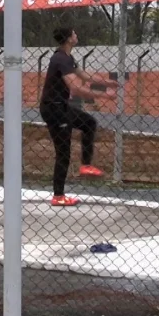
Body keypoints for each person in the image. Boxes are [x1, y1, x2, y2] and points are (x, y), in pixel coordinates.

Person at [39, 27, 117, 206]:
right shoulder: (59, 59)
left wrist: (106, 82)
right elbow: (75, 88)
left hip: (62, 107)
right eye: (74, 33)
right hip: (54, 110)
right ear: (68, 39)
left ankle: (86, 165)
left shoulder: (68, 57)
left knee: (89, 123)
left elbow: (84, 75)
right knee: (63, 153)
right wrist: (105, 96)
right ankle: (58, 196)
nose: (77, 35)